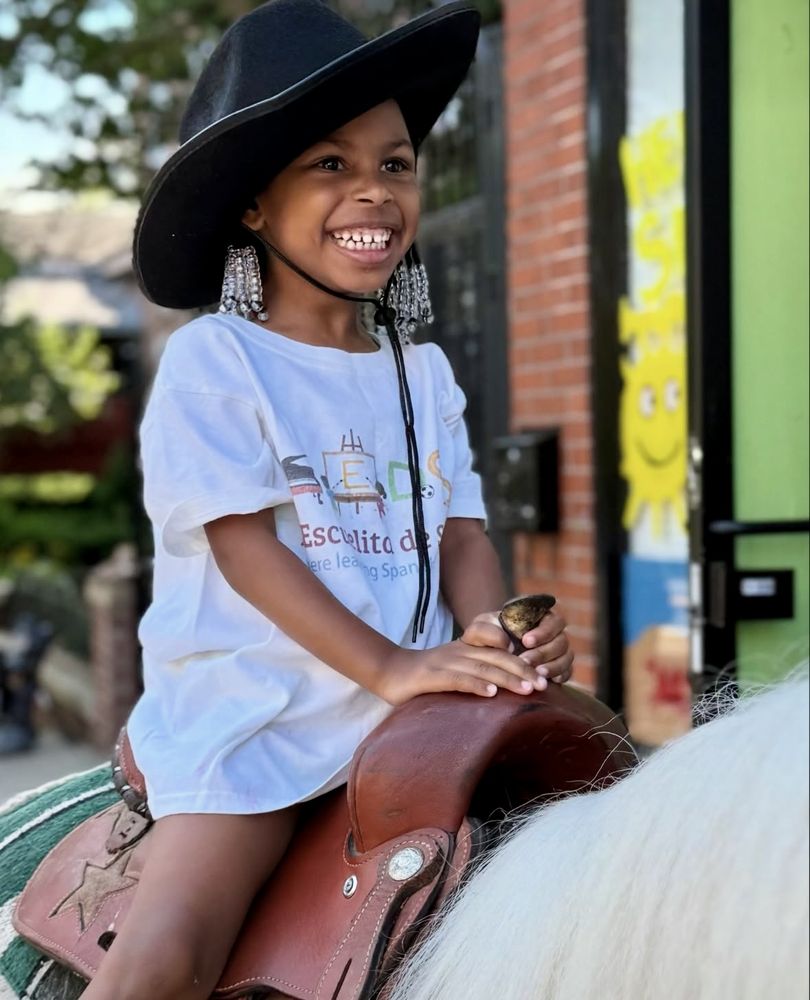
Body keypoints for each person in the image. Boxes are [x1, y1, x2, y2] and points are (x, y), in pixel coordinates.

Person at [86, 2, 574, 998]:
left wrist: (493, 639)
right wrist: (391, 666)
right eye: (330, 164)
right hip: (263, 719)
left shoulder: (423, 371)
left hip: (415, 714)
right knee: (169, 955)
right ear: (253, 207)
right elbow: (245, 548)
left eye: (396, 163)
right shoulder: (217, 360)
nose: (375, 190)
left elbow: (461, 533)